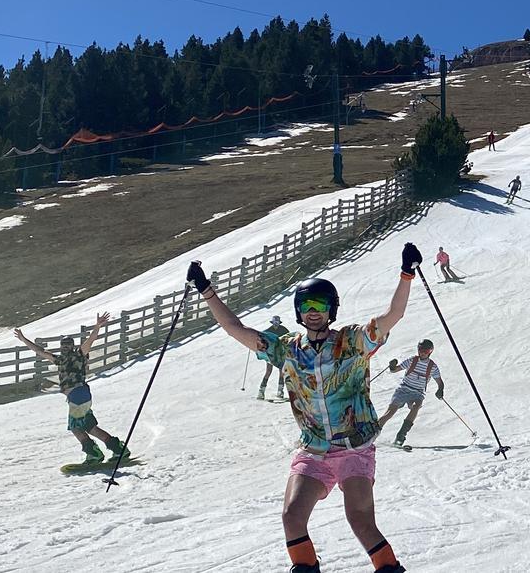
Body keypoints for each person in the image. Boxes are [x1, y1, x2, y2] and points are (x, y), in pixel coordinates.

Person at [186, 244, 421, 573]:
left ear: (331, 310)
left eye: (320, 305)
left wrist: (406, 274)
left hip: (354, 447)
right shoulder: (287, 350)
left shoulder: (352, 341)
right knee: (292, 518)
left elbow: (392, 316)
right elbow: (236, 330)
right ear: (299, 311)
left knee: (360, 522)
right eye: (307, 305)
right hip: (314, 450)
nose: (313, 311)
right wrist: (205, 290)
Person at [13, 314, 129, 465]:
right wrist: (23, 339)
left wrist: (97, 326)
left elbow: (90, 340)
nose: (65, 347)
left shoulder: (79, 355)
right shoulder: (59, 360)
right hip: (80, 396)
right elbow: (39, 351)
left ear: (72, 346)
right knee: (89, 426)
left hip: (78, 395)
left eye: (68, 345)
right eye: (63, 345)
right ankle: (118, 449)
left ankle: (94, 453)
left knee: (75, 427)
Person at [377, 339, 445, 448]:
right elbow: (395, 370)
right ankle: (371, 433)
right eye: (420, 350)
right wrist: (392, 366)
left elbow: (440, 382)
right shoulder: (412, 360)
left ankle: (401, 436)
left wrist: (440, 390)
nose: (422, 353)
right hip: (403, 390)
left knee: (416, 406)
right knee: (390, 412)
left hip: (417, 393)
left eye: (425, 351)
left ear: (430, 352)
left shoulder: (432, 367)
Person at [260, 315, 290, 399]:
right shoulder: (268, 331)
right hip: (271, 354)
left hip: (280, 353)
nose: (276, 324)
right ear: (272, 322)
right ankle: (261, 391)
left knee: (281, 371)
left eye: (277, 322)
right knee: (269, 371)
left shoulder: (284, 330)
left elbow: (289, 338)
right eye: (274, 322)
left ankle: (280, 391)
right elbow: (262, 336)